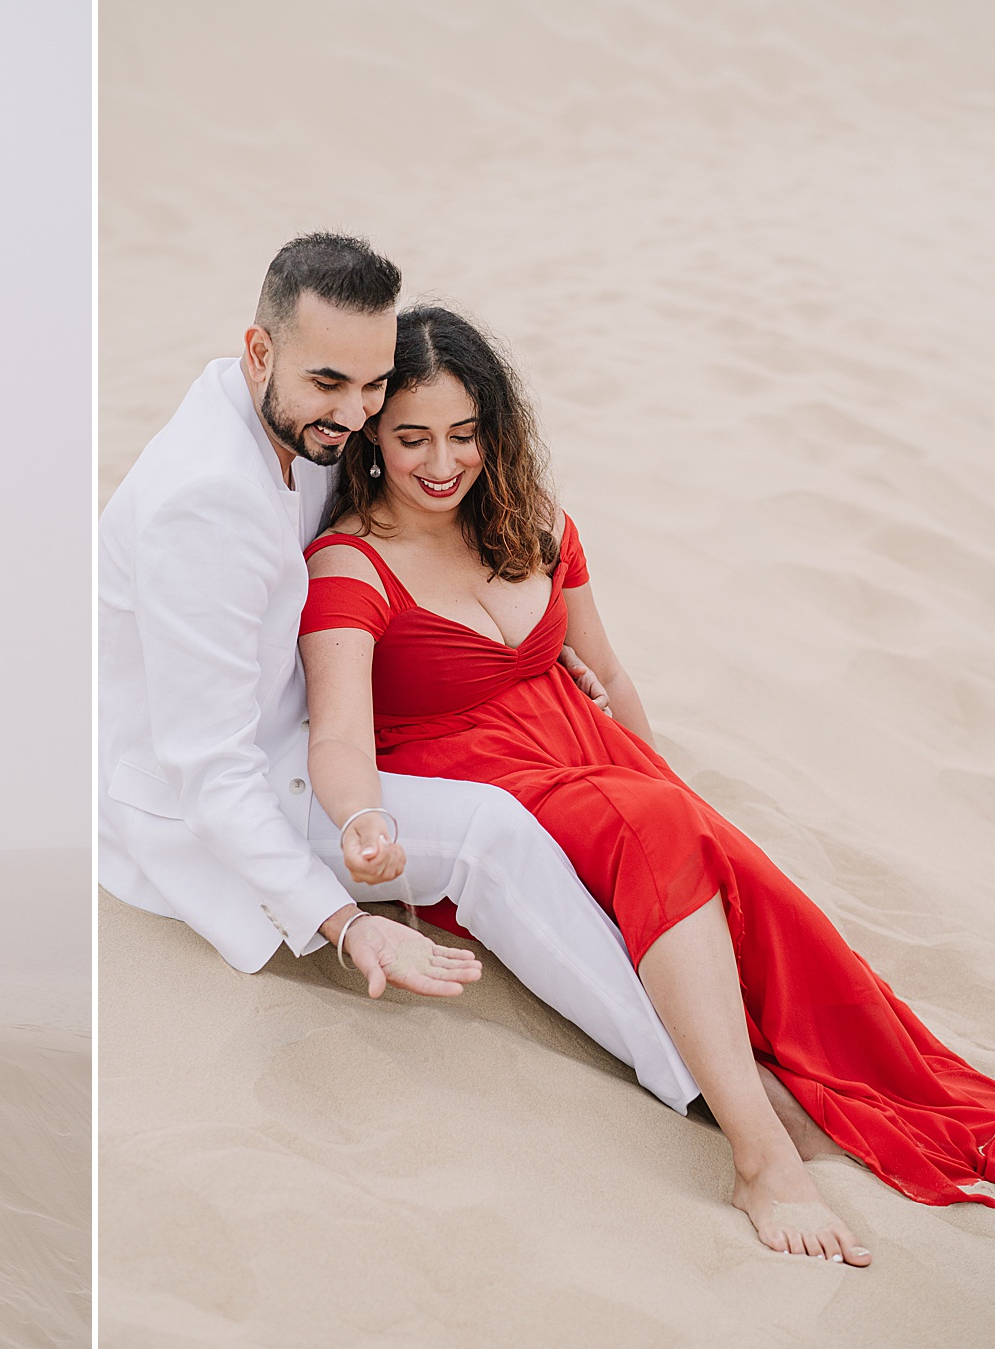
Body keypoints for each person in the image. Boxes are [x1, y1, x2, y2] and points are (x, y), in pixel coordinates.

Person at [299, 303, 995, 1267]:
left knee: (775, 921)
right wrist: (362, 816)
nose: (442, 463)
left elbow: (611, 674)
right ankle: (761, 1159)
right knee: (664, 831)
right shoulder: (351, 561)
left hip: (602, 761)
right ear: (373, 434)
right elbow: (336, 732)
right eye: (412, 437)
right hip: (488, 780)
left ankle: (821, 1096)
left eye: (466, 434)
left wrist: (655, 768)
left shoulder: (532, 522)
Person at [99, 232, 698, 1110]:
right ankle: (691, 1079)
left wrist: (525, 649)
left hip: (324, 730)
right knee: (493, 836)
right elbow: (210, 771)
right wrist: (347, 926)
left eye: (371, 383)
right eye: (328, 384)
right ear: (258, 349)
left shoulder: (286, 415)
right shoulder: (203, 508)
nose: (351, 415)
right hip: (224, 797)